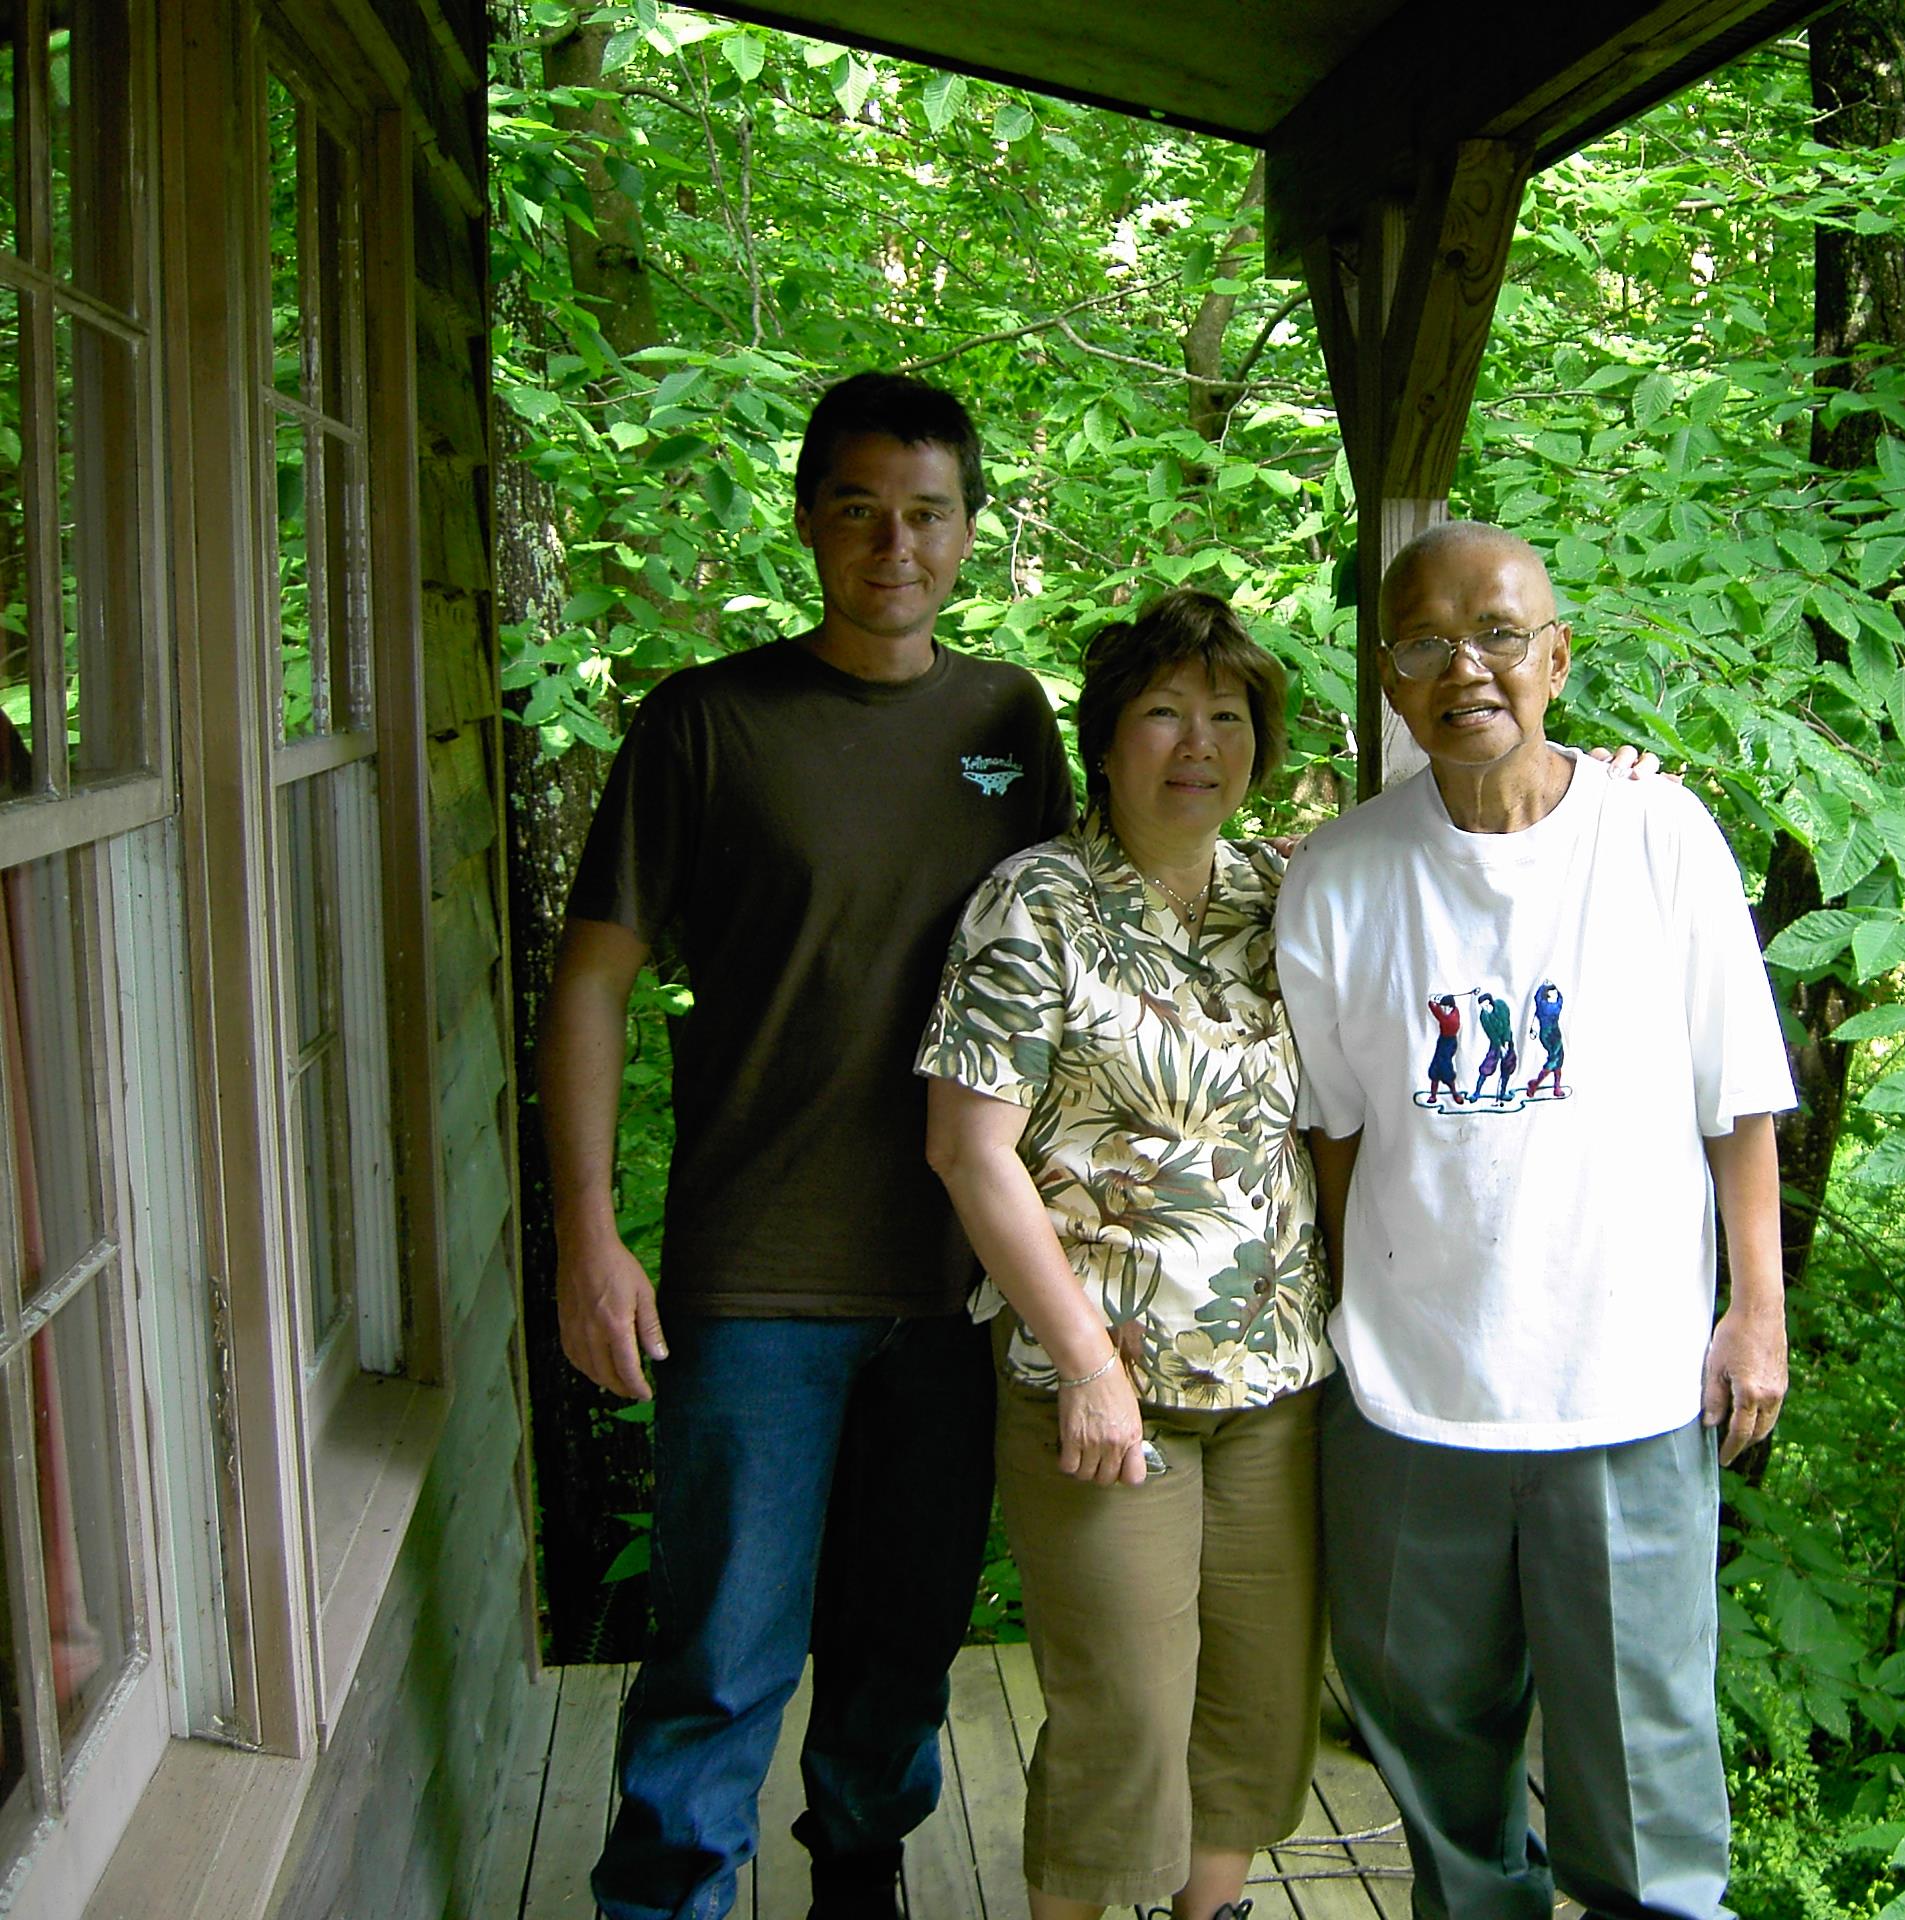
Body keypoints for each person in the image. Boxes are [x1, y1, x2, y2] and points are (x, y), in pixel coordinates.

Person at [541, 372, 1074, 1920]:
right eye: (858, 509)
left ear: (969, 531)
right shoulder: (707, 722)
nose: (893, 545)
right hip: (757, 1269)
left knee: (901, 1642)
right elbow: (592, 976)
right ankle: (667, 1901)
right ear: (809, 523)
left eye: (926, 514)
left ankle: (861, 1876)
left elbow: (1117, 914)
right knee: (720, 1653)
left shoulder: (1009, 721)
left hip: (954, 1276)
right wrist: (589, 1234)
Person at [1273, 520, 1796, 1920]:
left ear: (1556, 656)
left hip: (1627, 1396)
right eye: (1426, 642)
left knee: (1648, 1792)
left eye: (1500, 633)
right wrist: (1354, 1311)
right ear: (1389, 680)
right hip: (1411, 1406)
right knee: (1440, 1777)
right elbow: (1339, 1140)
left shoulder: (1658, 835)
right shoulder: (1337, 877)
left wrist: (1758, 1315)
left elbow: (1736, 1096)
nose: (1468, 667)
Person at [916, 589, 1331, 1920]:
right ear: (1106, 740)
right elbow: (968, 1150)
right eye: (1164, 712)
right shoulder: (1034, 904)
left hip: (1277, 1387)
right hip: (1102, 1394)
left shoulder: (1290, 896)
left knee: (1257, 1708)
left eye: (1227, 715)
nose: (1197, 742)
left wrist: (1604, 781)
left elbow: (1465, 874)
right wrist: (1091, 1367)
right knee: (1125, 1724)